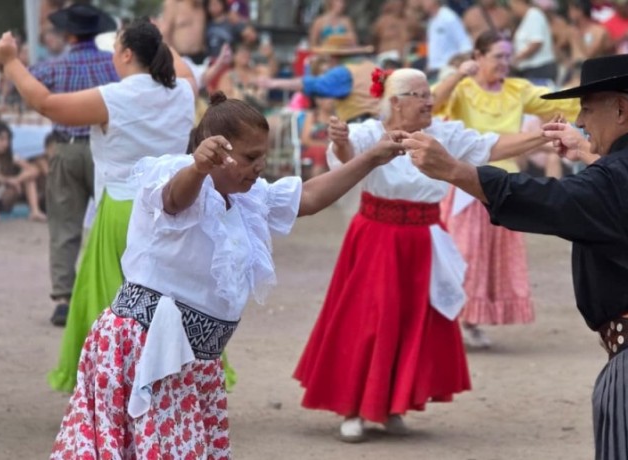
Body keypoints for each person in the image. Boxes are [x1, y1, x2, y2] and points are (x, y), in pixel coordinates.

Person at [48, 92, 406, 459]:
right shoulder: (176, 175)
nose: (260, 166)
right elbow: (175, 199)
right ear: (217, 151)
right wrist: (197, 168)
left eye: (263, 156)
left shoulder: (249, 197)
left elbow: (310, 198)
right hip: (146, 348)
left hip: (195, 360)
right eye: (251, 157)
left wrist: (372, 157)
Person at [407, 53, 628, 459]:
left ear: (622, 109)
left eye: (588, 110)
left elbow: (547, 199)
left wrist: (455, 171)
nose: (581, 122)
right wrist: (592, 154)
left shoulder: (616, 179)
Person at [293, 68, 554, 443]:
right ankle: (354, 409)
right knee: (369, 321)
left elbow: (490, 146)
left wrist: (539, 136)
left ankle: (394, 404)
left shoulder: (444, 135)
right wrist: (342, 142)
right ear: (396, 102)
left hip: (425, 237)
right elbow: (349, 161)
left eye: (428, 94)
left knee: (415, 323)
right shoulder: (370, 132)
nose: (430, 100)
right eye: (419, 95)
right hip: (378, 238)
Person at [0, 19, 199, 393]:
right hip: (174, 210)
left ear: (127, 54)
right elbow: (181, 68)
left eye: (116, 48)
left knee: (114, 305)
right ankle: (168, 382)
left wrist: (10, 61)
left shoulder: (116, 98)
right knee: (172, 301)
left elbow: (46, 104)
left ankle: (117, 384)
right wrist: (161, 37)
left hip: (123, 210)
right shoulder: (183, 91)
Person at [432, 30, 579, 347]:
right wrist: (458, 75)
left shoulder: (516, 90)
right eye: (498, 56)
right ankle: (451, 320)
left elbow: (558, 101)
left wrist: (596, 95)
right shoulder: (463, 89)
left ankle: (469, 322)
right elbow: (431, 106)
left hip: (504, 183)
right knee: (463, 254)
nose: (505, 63)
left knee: (489, 258)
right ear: (478, 57)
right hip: (466, 183)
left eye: (508, 57)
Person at [26, 3, 119, 327]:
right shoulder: (113, 65)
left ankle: (64, 299)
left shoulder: (53, 67)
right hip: (104, 149)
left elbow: (27, 88)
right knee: (108, 223)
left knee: (65, 227)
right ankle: (113, 297)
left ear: (68, 33)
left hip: (66, 149)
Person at [259, 36, 379, 124]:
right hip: (380, 122)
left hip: (360, 124)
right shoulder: (371, 66)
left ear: (333, 57)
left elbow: (314, 85)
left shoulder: (343, 72)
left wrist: (274, 83)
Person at [0, 121, 47, 223]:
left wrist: (17, 180)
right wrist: (6, 180)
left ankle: (35, 212)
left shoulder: (10, 156)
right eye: (1, 139)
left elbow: (33, 170)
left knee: (29, 178)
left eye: (7, 140)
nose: (5, 144)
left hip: (3, 197)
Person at [420, 0, 472, 81]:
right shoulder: (431, 21)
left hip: (448, 71)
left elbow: (465, 45)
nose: (422, 3)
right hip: (434, 71)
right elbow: (434, 49)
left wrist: (458, 64)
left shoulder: (448, 17)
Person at [509, 0, 557, 83]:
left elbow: (536, 42)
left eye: (512, 6)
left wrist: (516, 58)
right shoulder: (526, 18)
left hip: (539, 68)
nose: (512, 10)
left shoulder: (534, 15)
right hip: (529, 69)